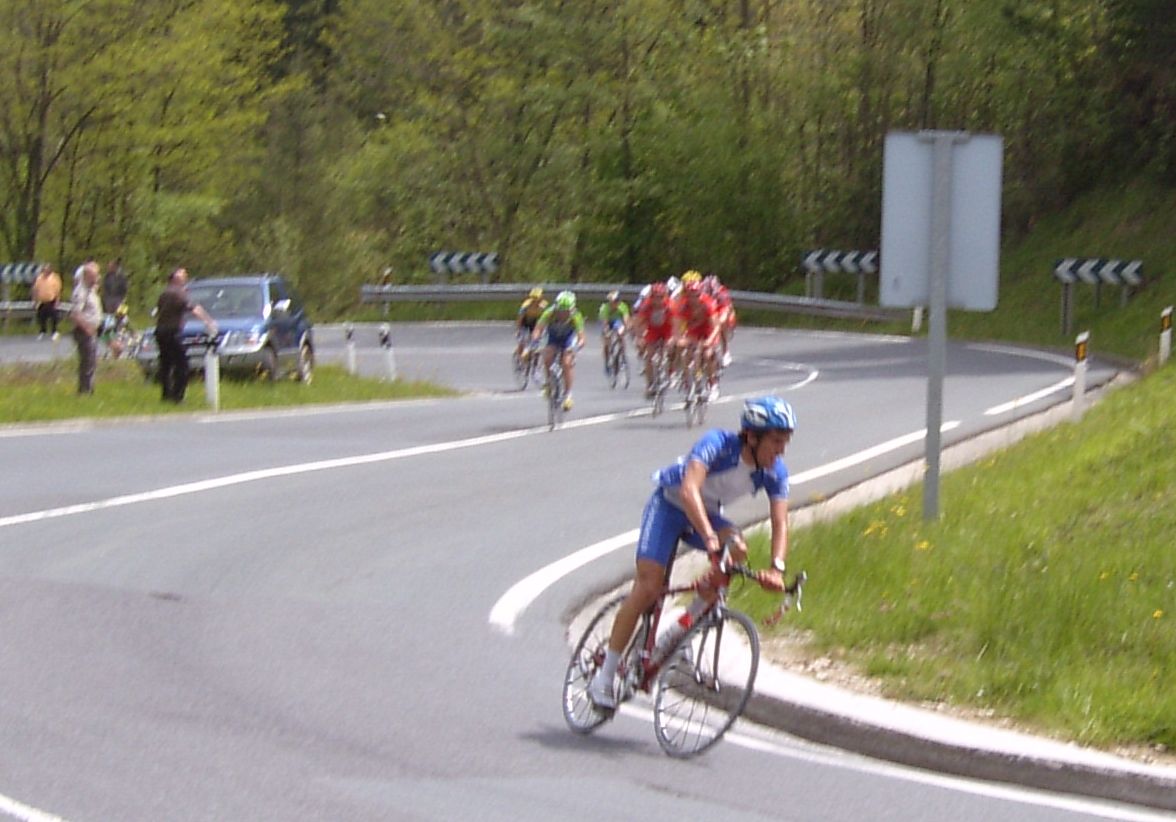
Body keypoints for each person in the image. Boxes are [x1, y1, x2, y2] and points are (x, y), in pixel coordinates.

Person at [587, 396, 797, 710]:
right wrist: (710, 538)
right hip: (670, 506)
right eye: (776, 442)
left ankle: (679, 631)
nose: (781, 451)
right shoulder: (717, 443)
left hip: (706, 514)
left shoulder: (775, 471)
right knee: (648, 587)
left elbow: (780, 521)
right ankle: (604, 676)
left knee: (737, 549)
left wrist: (777, 568)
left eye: (785, 442)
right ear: (752, 437)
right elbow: (688, 490)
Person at [154, 267, 217, 403]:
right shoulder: (177, 293)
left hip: (160, 331)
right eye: (183, 276)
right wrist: (208, 321)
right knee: (182, 364)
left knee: (166, 364)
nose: (185, 279)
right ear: (176, 279)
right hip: (172, 332)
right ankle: (178, 396)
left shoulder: (164, 293)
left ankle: (166, 395)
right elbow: (194, 308)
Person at [533, 290, 585, 411]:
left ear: (571, 310)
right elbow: (538, 329)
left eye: (566, 312)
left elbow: (582, 337)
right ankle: (549, 384)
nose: (562, 314)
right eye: (560, 311)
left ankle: (568, 395)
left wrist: (576, 347)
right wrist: (535, 341)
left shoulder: (576, 316)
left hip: (568, 338)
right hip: (553, 337)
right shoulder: (549, 313)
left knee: (567, 363)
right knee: (547, 358)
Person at [674, 280, 722, 400]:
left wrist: (710, 340)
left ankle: (713, 384)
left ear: (700, 294)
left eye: (695, 295)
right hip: (693, 332)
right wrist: (678, 338)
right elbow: (676, 326)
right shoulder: (683, 305)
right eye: (690, 295)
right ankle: (687, 382)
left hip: (709, 331)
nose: (693, 299)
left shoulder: (708, 304)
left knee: (707, 355)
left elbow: (716, 326)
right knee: (686, 354)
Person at [631, 282, 676, 398]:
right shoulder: (646, 306)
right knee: (649, 356)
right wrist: (639, 338)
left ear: (665, 297)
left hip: (668, 329)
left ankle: (671, 371)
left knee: (671, 349)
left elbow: (677, 324)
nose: (658, 300)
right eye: (655, 297)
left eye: (661, 297)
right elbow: (638, 323)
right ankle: (650, 384)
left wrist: (673, 338)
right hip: (653, 330)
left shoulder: (671, 305)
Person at [68, 261, 102, 394]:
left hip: (92, 330)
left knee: (92, 361)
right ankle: (84, 390)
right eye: (95, 276)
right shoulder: (80, 292)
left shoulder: (91, 291)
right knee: (87, 361)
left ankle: (89, 388)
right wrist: (87, 328)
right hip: (84, 331)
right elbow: (76, 314)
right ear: (87, 276)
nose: (97, 278)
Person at [598, 290, 630, 376]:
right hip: (608, 323)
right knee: (606, 342)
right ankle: (607, 362)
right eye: (611, 302)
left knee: (621, 335)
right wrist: (606, 332)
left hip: (617, 322)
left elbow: (626, 320)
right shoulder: (605, 308)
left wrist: (626, 329)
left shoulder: (623, 307)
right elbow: (605, 323)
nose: (614, 304)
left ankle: (623, 358)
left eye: (616, 302)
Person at [515, 287, 548, 362]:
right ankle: (519, 358)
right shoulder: (525, 305)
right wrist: (518, 330)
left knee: (536, 340)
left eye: (537, 298)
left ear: (541, 297)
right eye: (533, 298)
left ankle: (533, 355)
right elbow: (520, 318)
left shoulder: (544, 305)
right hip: (525, 323)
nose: (535, 300)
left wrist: (543, 329)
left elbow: (545, 318)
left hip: (535, 323)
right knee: (522, 341)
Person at [31, 263, 62, 340]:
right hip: (42, 301)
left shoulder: (55, 278)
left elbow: (58, 290)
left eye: (46, 269)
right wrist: (34, 301)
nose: (45, 271)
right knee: (41, 317)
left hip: (51, 301)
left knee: (54, 317)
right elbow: (35, 290)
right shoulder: (39, 278)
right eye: (44, 270)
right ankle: (42, 331)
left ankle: (54, 332)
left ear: (50, 270)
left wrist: (57, 301)